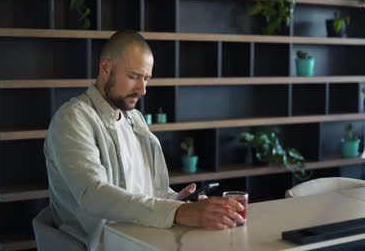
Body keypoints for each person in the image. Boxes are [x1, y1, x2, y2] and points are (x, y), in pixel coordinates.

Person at [44, 30, 244, 251]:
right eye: (133, 76)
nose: (143, 89)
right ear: (105, 68)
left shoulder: (134, 119)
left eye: (146, 78)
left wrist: (177, 201)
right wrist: (177, 212)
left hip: (144, 240)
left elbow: (151, 193)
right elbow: (93, 195)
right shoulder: (73, 118)